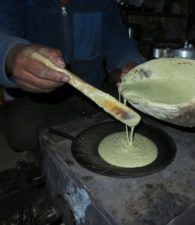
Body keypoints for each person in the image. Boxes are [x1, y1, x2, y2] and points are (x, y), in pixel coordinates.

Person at [0, 0, 145, 158]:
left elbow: (120, 44)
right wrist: (12, 53)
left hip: (94, 90)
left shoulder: (104, 3)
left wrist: (134, 66)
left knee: (143, 114)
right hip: (39, 98)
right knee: (20, 133)